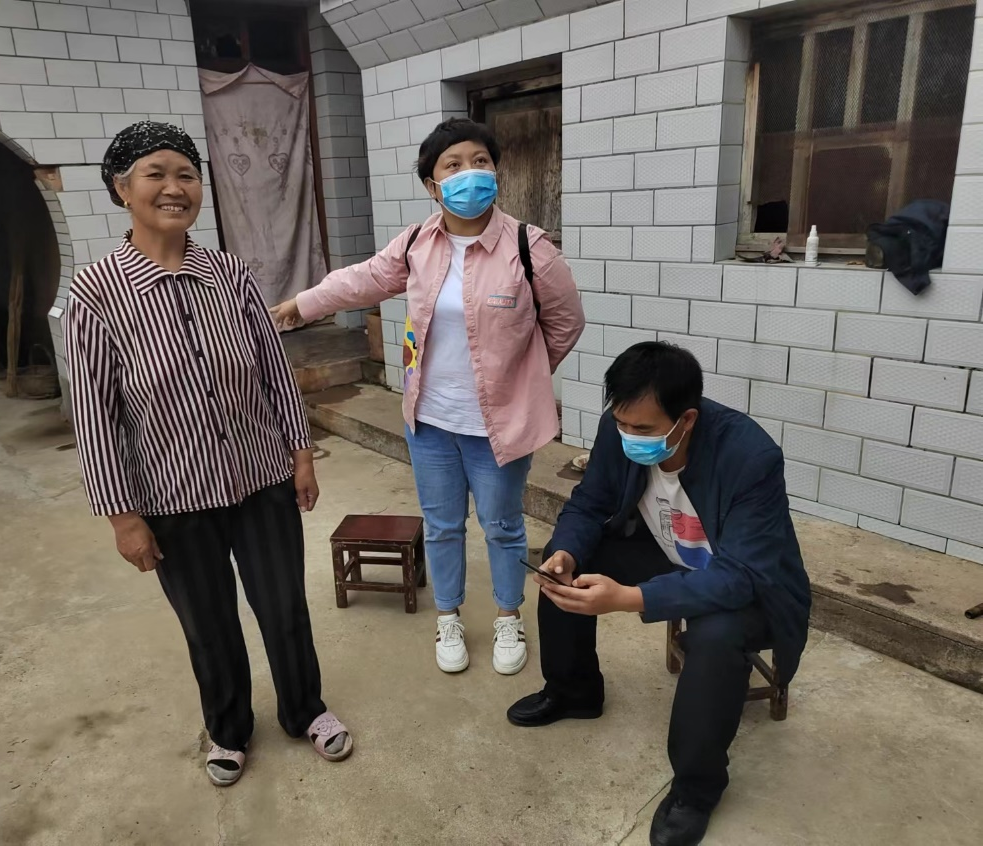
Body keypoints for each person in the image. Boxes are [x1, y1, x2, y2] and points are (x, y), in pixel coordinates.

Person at [62, 122, 352, 788]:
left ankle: (305, 709)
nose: (175, 187)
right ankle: (228, 728)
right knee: (208, 620)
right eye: (156, 174)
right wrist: (122, 517)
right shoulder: (96, 293)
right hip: (171, 495)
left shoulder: (229, 274)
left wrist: (301, 453)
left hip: (260, 477)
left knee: (283, 604)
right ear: (121, 189)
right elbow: (95, 413)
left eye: (187, 175)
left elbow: (274, 371)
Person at [271, 118, 584, 677]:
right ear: (432, 184)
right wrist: (304, 303)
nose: (470, 173)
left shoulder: (529, 247)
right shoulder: (417, 243)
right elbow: (363, 279)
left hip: (499, 426)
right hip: (431, 421)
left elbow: (565, 322)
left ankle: (508, 615)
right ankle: (449, 615)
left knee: (503, 525)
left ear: (496, 171)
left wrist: (524, 376)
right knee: (442, 526)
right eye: (453, 164)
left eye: (480, 161)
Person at [507, 342, 811, 846]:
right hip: (667, 551)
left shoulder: (749, 456)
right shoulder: (620, 427)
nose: (629, 436)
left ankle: (696, 788)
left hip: (750, 584)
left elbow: (741, 576)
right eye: (622, 423)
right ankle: (573, 690)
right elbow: (590, 502)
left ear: (686, 419)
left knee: (715, 637)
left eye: (644, 429)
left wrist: (631, 598)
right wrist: (566, 552)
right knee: (564, 573)